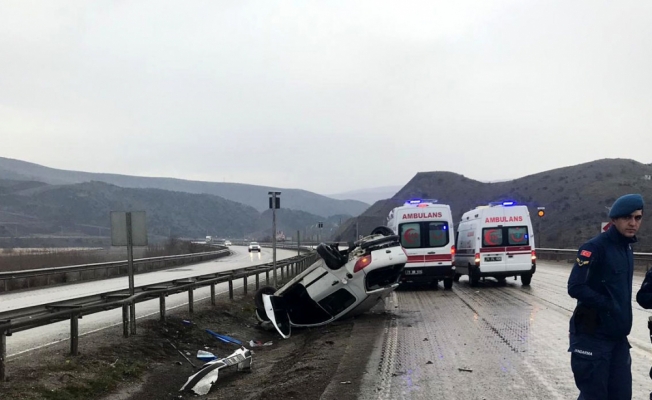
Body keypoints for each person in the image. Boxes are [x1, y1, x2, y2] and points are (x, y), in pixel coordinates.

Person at [567, 193, 644, 400]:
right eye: (627, 218)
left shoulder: (626, 249)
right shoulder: (594, 248)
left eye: (637, 218)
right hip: (592, 338)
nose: (633, 223)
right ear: (614, 220)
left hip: (618, 340)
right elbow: (575, 286)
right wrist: (608, 305)